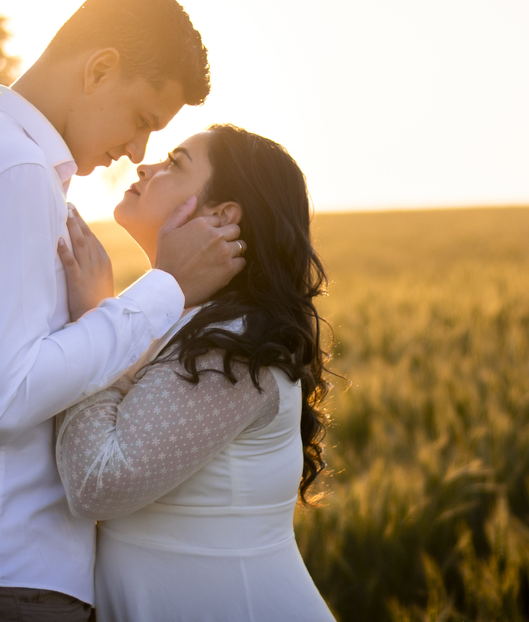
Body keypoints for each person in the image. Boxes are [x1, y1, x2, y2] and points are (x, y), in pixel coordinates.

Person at [0, 0, 247, 621]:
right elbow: (6, 396)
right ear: (99, 68)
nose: (136, 151)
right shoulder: (9, 170)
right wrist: (166, 289)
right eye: (142, 120)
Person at [55, 124, 336, 621]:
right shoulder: (179, 319)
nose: (145, 167)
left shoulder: (238, 344)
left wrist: (94, 325)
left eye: (176, 162)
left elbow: (97, 483)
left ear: (222, 215)